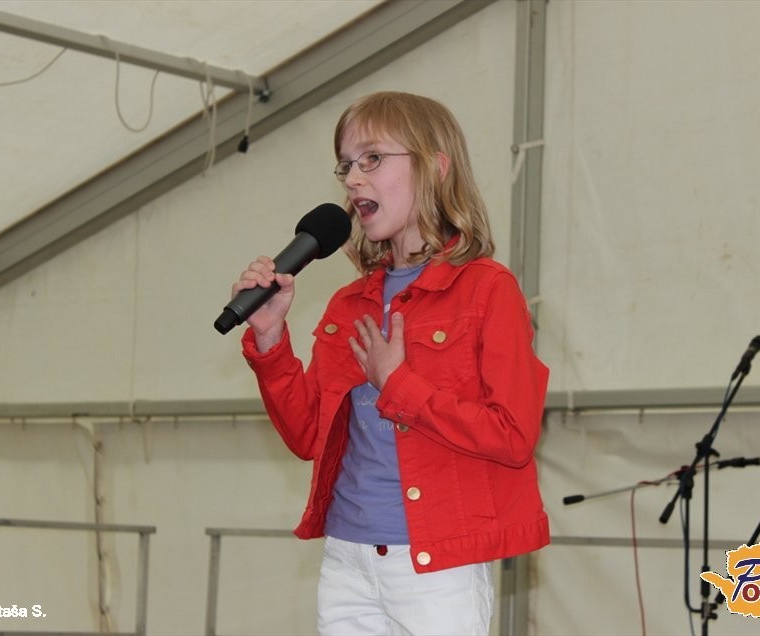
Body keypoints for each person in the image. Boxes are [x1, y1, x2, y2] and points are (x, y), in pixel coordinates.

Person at [232, 91, 550, 636]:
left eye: (373, 159)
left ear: (435, 167)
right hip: (347, 558)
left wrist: (397, 384)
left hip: (437, 567)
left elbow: (513, 435)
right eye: (346, 165)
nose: (354, 179)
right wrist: (270, 337)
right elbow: (308, 436)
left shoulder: (487, 290)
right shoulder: (347, 304)